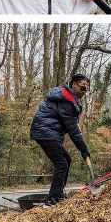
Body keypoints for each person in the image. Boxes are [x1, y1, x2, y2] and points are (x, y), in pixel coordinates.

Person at [30, 73, 91, 207]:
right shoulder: (67, 102)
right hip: (45, 131)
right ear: (73, 85)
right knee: (61, 163)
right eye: (82, 88)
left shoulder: (67, 98)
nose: (84, 92)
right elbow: (73, 130)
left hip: (47, 131)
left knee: (66, 160)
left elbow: (73, 128)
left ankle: (58, 194)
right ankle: (52, 201)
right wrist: (84, 150)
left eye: (87, 89)